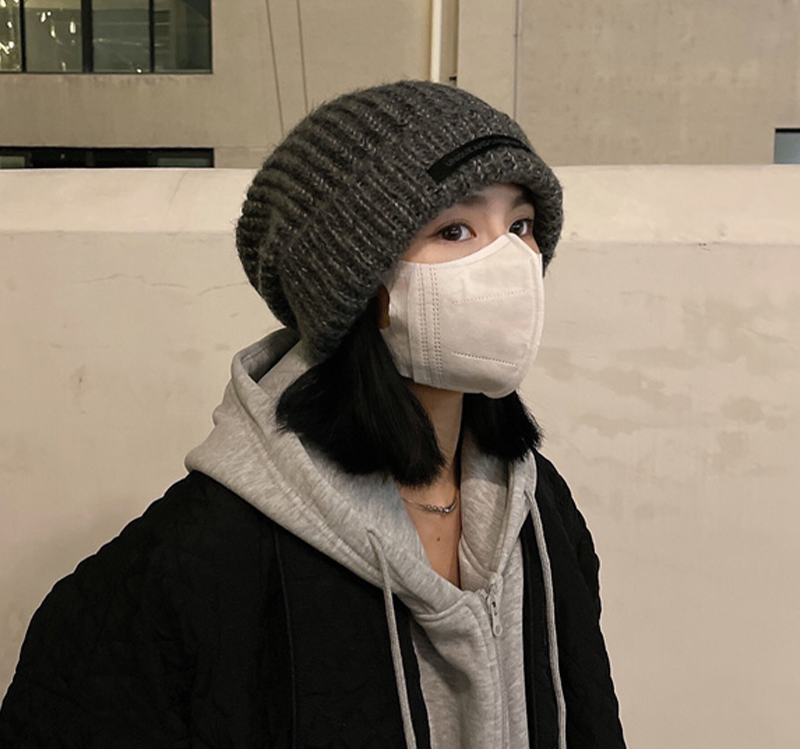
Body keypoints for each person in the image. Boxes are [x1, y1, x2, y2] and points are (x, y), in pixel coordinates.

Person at [0, 81, 626, 748]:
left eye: (521, 225)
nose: (511, 262)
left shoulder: (539, 512)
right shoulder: (193, 564)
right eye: (455, 230)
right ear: (354, 284)